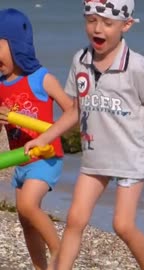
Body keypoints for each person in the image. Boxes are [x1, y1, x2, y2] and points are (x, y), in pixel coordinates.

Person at [25, 0, 144, 269]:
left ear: (126, 25)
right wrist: (43, 138)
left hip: (131, 155)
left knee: (122, 225)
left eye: (107, 23)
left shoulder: (135, 66)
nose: (97, 29)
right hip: (95, 155)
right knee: (75, 219)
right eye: (91, 21)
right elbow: (75, 109)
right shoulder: (80, 60)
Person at [0, 8, 73, 270]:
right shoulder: (0, 84)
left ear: (15, 44)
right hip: (21, 160)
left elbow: (73, 110)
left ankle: (58, 251)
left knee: (28, 205)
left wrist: (51, 134)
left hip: (46, 157)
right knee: (25, 218)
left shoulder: (42, 78)